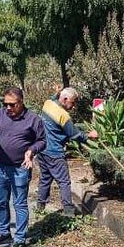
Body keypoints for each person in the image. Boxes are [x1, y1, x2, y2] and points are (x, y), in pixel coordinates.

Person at [0, 87, 46, 247]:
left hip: (20, 168)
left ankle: (20, 239)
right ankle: (3, 232)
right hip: (0, 167)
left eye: (12, 105)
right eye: (5, 104)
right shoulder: (1, 113)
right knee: (0, 202)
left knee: (19, 204)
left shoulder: (33, 119)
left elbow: (42, 141)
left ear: (21, 102)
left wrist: (31, 151)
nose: (8, 108)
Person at [37, 87, 98, 217]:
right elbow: (75, 134)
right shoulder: (63, 116)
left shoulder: (48, 104)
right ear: (65, 99)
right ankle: (69, 212)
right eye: (73, 102)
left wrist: (57, 92)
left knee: (45, 179)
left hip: (42, 151)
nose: (74, 106)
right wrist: (90, 135)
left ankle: (39, 207)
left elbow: (54, 98)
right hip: (55, 153)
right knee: (64, 182)